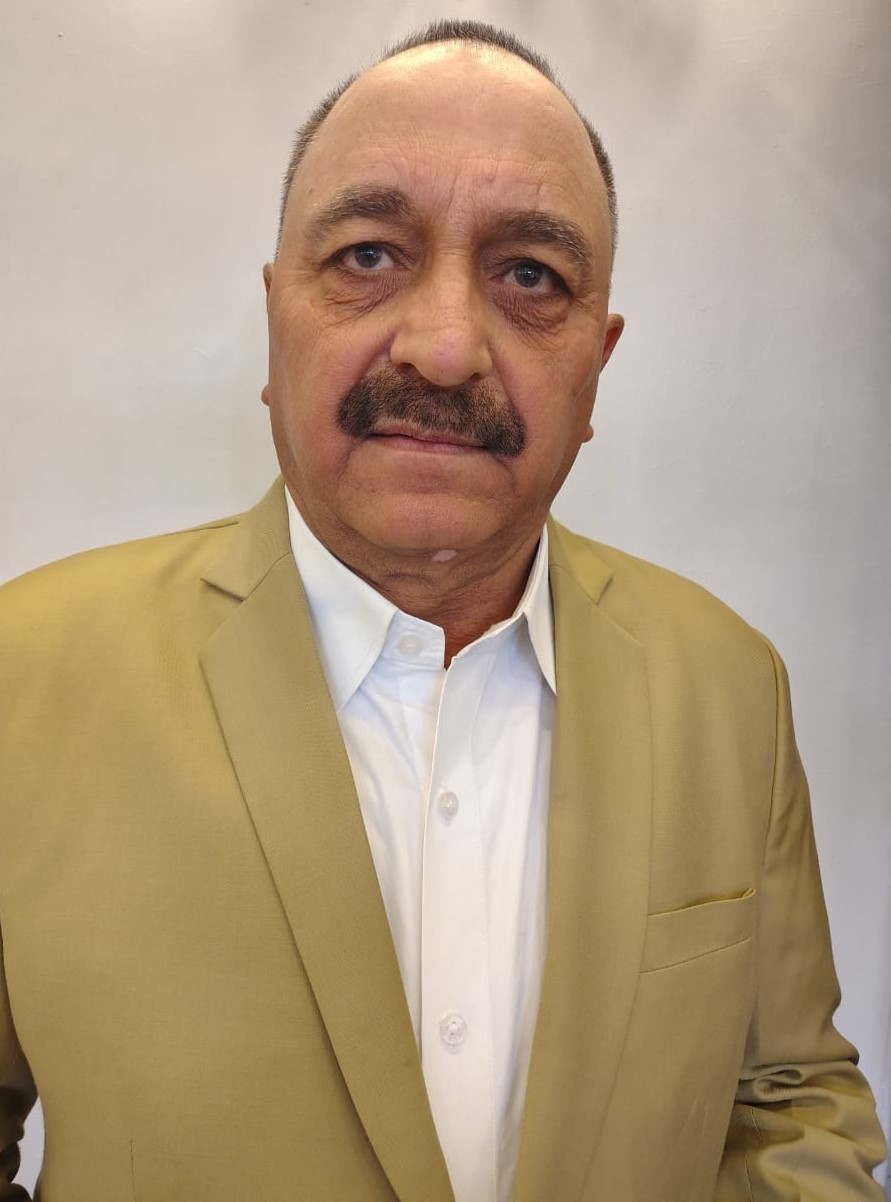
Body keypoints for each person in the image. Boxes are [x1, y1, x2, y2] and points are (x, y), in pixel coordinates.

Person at [0, 18, 885, 1202]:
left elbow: (787, 1103)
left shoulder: (729, 687)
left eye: (530, 276)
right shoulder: (24, 677)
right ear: (275, 318)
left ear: (597, 365)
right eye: (369, 254)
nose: (447, 345)